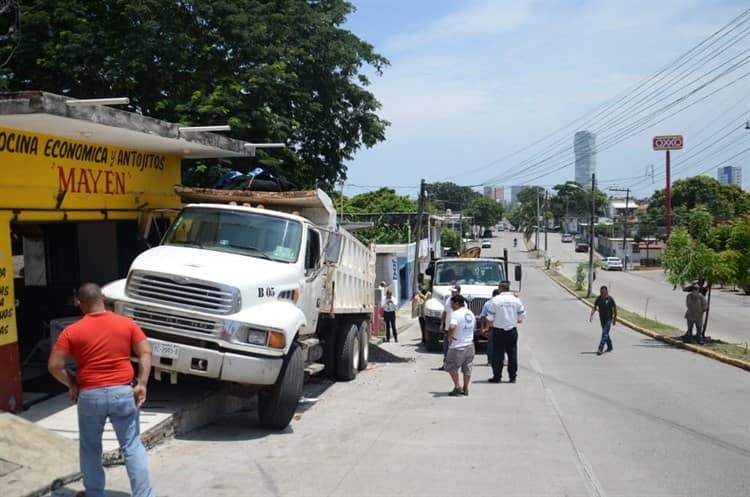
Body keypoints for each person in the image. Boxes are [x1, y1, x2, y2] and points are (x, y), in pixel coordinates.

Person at [48, 283, 155, 497]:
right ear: (103, 298)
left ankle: (95, 493)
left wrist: (72, 383)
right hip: (123, 393)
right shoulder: (126, 323)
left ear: (81, 305)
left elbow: (54, 366)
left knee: (90, 447)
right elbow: (145, 353)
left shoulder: (71, 331)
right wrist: (142, 383)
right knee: (132, 446)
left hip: (90, 395)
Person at [485, 281, 526, 383]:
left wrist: (489, 327)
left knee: (498, 354)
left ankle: (497, 377)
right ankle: (512, 377)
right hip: (511, 330)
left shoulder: (495, 300)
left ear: (500, 288)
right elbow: (522, 316)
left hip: (499, 331)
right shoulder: (516, 300)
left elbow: (490, 318)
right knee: (512, 354)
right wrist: (514, 319)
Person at [444, 294, 476, 396]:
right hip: (470, 345)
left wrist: (450, 336)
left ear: (457, 303)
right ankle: (466, 388)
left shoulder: (456, 314)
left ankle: (457, 386)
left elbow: (452, 326)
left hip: (458, 346)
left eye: (452, 304)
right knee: (467, 368)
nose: (451, 306)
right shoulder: (470, 313)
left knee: (450, 365)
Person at [438, 283, 461, 370]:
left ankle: (456, 364)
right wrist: (442, 324)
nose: (452, 293)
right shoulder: (448, 300)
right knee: (446, 347)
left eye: (454, 291)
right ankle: (445, 364)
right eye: (452, 291)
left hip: (456, 329)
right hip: (448, 328)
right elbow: (445, 312)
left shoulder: (462, 302)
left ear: (459, 292)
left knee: (456, 347)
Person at [589, 285, 617, 355]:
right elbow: (594, 307)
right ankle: (610, 346)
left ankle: (600, 348)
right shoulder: (598, 299)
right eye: (601, 292)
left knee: (604, 333)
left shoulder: (610, 299)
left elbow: (615, 310)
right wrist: (591, 315)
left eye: (603, 292)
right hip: (602, 318)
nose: (602, 294)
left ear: (606, 292)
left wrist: (614, 319)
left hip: (608, 319)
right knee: (606, 333)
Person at [480, 289, 501, 366]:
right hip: (499, 327)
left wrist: (483, 328)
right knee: (497, 345)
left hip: (492, 327)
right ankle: (493, 360)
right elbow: (484, 317)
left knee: (491, 345)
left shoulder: (487, 303)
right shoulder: (494, 304)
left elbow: (482, 317)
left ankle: (490, 361)